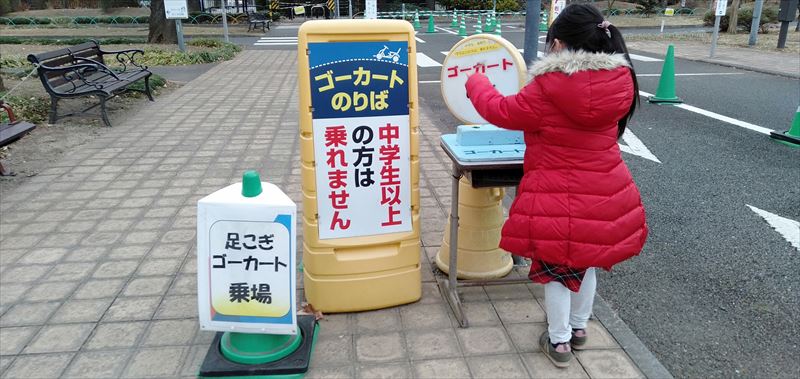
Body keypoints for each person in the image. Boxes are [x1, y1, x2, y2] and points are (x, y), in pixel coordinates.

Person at [464, 4, 648, 368]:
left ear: (561, 45)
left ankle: (559, 340)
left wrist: (476, 82)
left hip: (557, 196)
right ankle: (580, 329)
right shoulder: (621, 81)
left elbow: (501, 110)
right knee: (587, 263)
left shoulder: (550, 88)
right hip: (605, 192)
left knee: (556, 271)